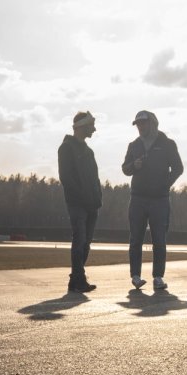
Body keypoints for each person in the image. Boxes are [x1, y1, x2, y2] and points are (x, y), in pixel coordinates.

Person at [122, 109, 184, 290]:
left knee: (159, 240)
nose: (140, 127)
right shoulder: (133, 145)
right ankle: (135, 276)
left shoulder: (167, 144)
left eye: (143, 123)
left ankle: (158, 277)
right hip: (138, 198)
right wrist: (134, 165)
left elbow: (178, 168)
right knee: (135, 239)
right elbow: (125, 169)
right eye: (138, 124)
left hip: (160, 199)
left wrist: (165, 184)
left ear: (153, 124)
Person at [57, 111, 102, 293]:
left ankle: (75, 279)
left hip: (92, 204)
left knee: (86, 243)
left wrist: (97, 198)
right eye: (91, 125)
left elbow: (95, 178)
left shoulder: (89, 151)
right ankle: (79, 279)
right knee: (79, 240)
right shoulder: (66, 148)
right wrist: (82, 198)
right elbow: (66, 177)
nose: (94, 129)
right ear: (82, 126)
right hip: (77, 204)